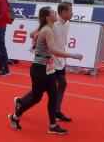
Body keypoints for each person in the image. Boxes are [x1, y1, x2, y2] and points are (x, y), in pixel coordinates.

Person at [8, 7, 82, 135]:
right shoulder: (47, 29)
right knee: (37, 97)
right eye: (53, 13)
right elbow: (53, 50)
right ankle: (14, 116)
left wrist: (37, 39)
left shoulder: (49, 27)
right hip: (39, 68)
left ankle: (53, 126)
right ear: (48, 17)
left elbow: (33, 35)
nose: (56, 13)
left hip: (48, 67)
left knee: (53, 94)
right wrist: (73, 55)